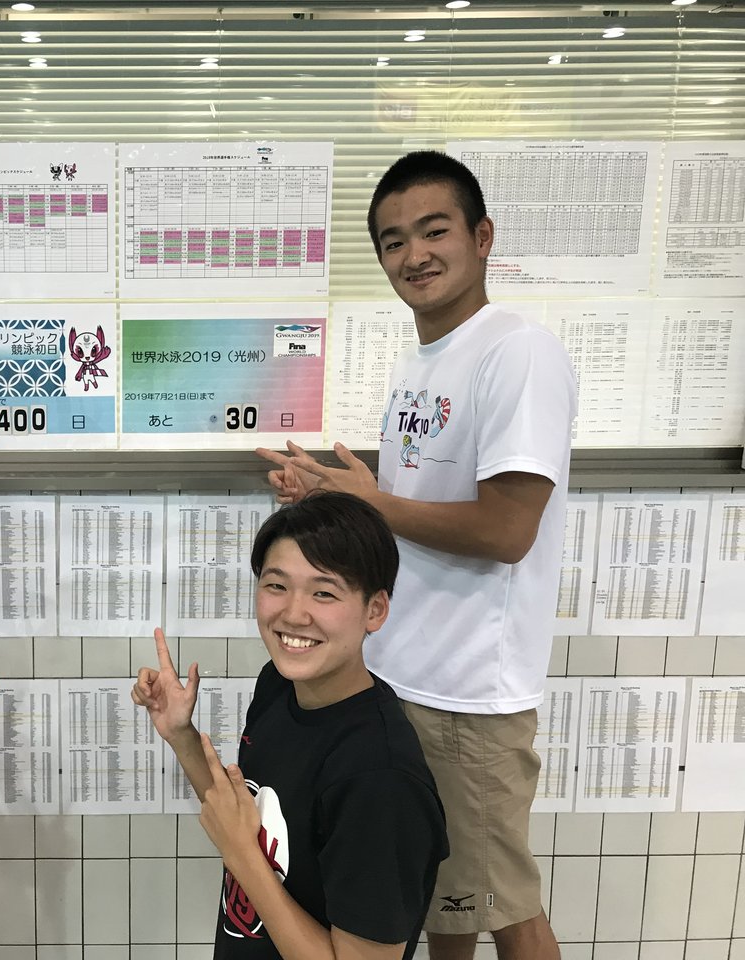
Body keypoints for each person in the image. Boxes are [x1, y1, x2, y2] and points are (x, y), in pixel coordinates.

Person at [258, 151, 577, 960]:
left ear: (482, 237)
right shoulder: (422, 360)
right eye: (394, 241)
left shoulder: (517, 351)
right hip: (408, 674)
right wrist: (334, 496)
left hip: (468, 691)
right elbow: (410, 511)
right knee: (440, 904)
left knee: (503, 906)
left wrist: (370, 501)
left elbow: (508, 528)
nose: (415, 255)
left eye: (435, 231)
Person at [134, 493, 448, 960]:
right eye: (277, 585)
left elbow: (243, 845)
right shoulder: (279, 686)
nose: (294, 614)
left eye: (324, 593)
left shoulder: (379, 777)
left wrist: (242, 856)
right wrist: (181, 734)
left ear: (375, 610)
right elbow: (239, 817)